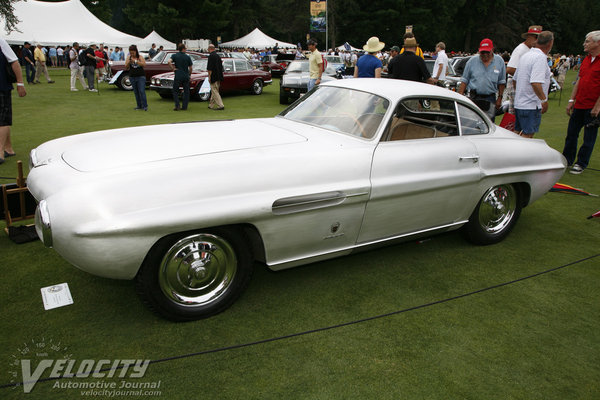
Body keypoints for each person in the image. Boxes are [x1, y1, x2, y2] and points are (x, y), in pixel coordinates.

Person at [563, 30, 600, 175]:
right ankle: (567, 159)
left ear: (597, 43)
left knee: (589, 136)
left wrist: (598, 106)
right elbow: (579, 81)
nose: (584, 44)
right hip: (580, 103)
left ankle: (581, 162)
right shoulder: (586, 59)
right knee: (571, 133)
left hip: (592, 106)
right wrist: (571, 100)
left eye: (588, 41)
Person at [513, 31, 554, 138]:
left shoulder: (526, 56)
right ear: (550, 43)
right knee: (527, 136)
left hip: (520, 103)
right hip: (531, 105)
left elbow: (515, 79)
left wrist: (520, 94)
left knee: (516, 133)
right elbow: (535, 83)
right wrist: (543, 100)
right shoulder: (539, 58)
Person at [458, 38, 506, 122]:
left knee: (489, 123)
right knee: (473, 122)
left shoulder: (499, 61)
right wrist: (460, 97)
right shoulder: (471, 61)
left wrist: (500, 98)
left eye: (487, 52)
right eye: (482, 52)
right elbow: (464, 80)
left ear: (492, 50)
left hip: (490, 97)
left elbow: (501, 81)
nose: (485, 54)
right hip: (474, 97)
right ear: (479, 51)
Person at [0, 38, 26, 165]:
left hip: (2, 87)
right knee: (2, 119)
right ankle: (8, 148)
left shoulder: (0, 42)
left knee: (3, 119)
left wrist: (20, 83)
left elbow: (14, 61)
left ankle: (0, 153)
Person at [505, 25, 542, 112]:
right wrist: (527, 76)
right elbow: (509, 69)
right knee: (516, 112)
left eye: (539, 37)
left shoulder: (530, 50)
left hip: (520, 82)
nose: (537, 40)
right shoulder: (521, 49)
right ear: (528, 37)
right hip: (515, 82)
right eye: (535, 37)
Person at [168, 43, 193, 111]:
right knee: (186, 91)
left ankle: (177, 105)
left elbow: (169, 62)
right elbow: (190, 67)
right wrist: (189, 74)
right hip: (185, 75)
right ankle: (184, 106)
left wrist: (173, 69)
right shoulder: (187, 57)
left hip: (178, 75)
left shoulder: (175, 55)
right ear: (183, 49)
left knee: (175, 91)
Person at [125, 45, 147, 111]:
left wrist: (136, 61)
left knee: (142, 91)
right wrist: (129, 61)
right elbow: (126, 67)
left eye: (133, 53)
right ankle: (139, 105)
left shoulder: (140, 57)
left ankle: (145, 105)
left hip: (141, 76)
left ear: (136, 51)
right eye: (130, 53)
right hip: (132, 76)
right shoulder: (129, 57)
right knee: (136, 92)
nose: (132, 54)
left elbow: (144, 64)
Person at [206, 44, 225, 110]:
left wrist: (209, 77)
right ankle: (211, 105)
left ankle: (220, 105)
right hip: (219, 76)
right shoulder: (217, 56)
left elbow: (209, 69)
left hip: (214, 76)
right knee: (215, 90)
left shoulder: (211, 56)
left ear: (209, 49)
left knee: (214, 91)